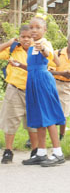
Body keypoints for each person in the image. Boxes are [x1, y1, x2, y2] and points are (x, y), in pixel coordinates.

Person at [22, 16, 66, 167]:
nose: (34, 30)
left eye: (38, 27)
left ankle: (58, 153)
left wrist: (44, 49)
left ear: (44, 30)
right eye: (31, 27)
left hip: (42, 81)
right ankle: (41, 153)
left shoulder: (44, 43)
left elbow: (48, 53)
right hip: (33, 81)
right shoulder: (31, 45)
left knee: (48, 116)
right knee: (39, 117)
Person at [0, 25, 38, 164]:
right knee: (11, 120)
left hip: (33, 91)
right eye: (23, 36)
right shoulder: (13, 49)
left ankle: (35, 151)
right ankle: (8, 151)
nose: (26, 39)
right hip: (15, 90)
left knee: (33, 122)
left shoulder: (38, 50)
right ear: (19, 37)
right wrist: (9, 43)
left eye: (29, 37)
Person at [50, 33, 70, 140]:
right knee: (49, 110)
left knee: (64, 112)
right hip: (53, 83)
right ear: (67, 41)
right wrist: (63, 73)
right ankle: (44, 133)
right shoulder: (57, 53)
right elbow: (49, 71)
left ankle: (61, 136)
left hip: (67, 86)